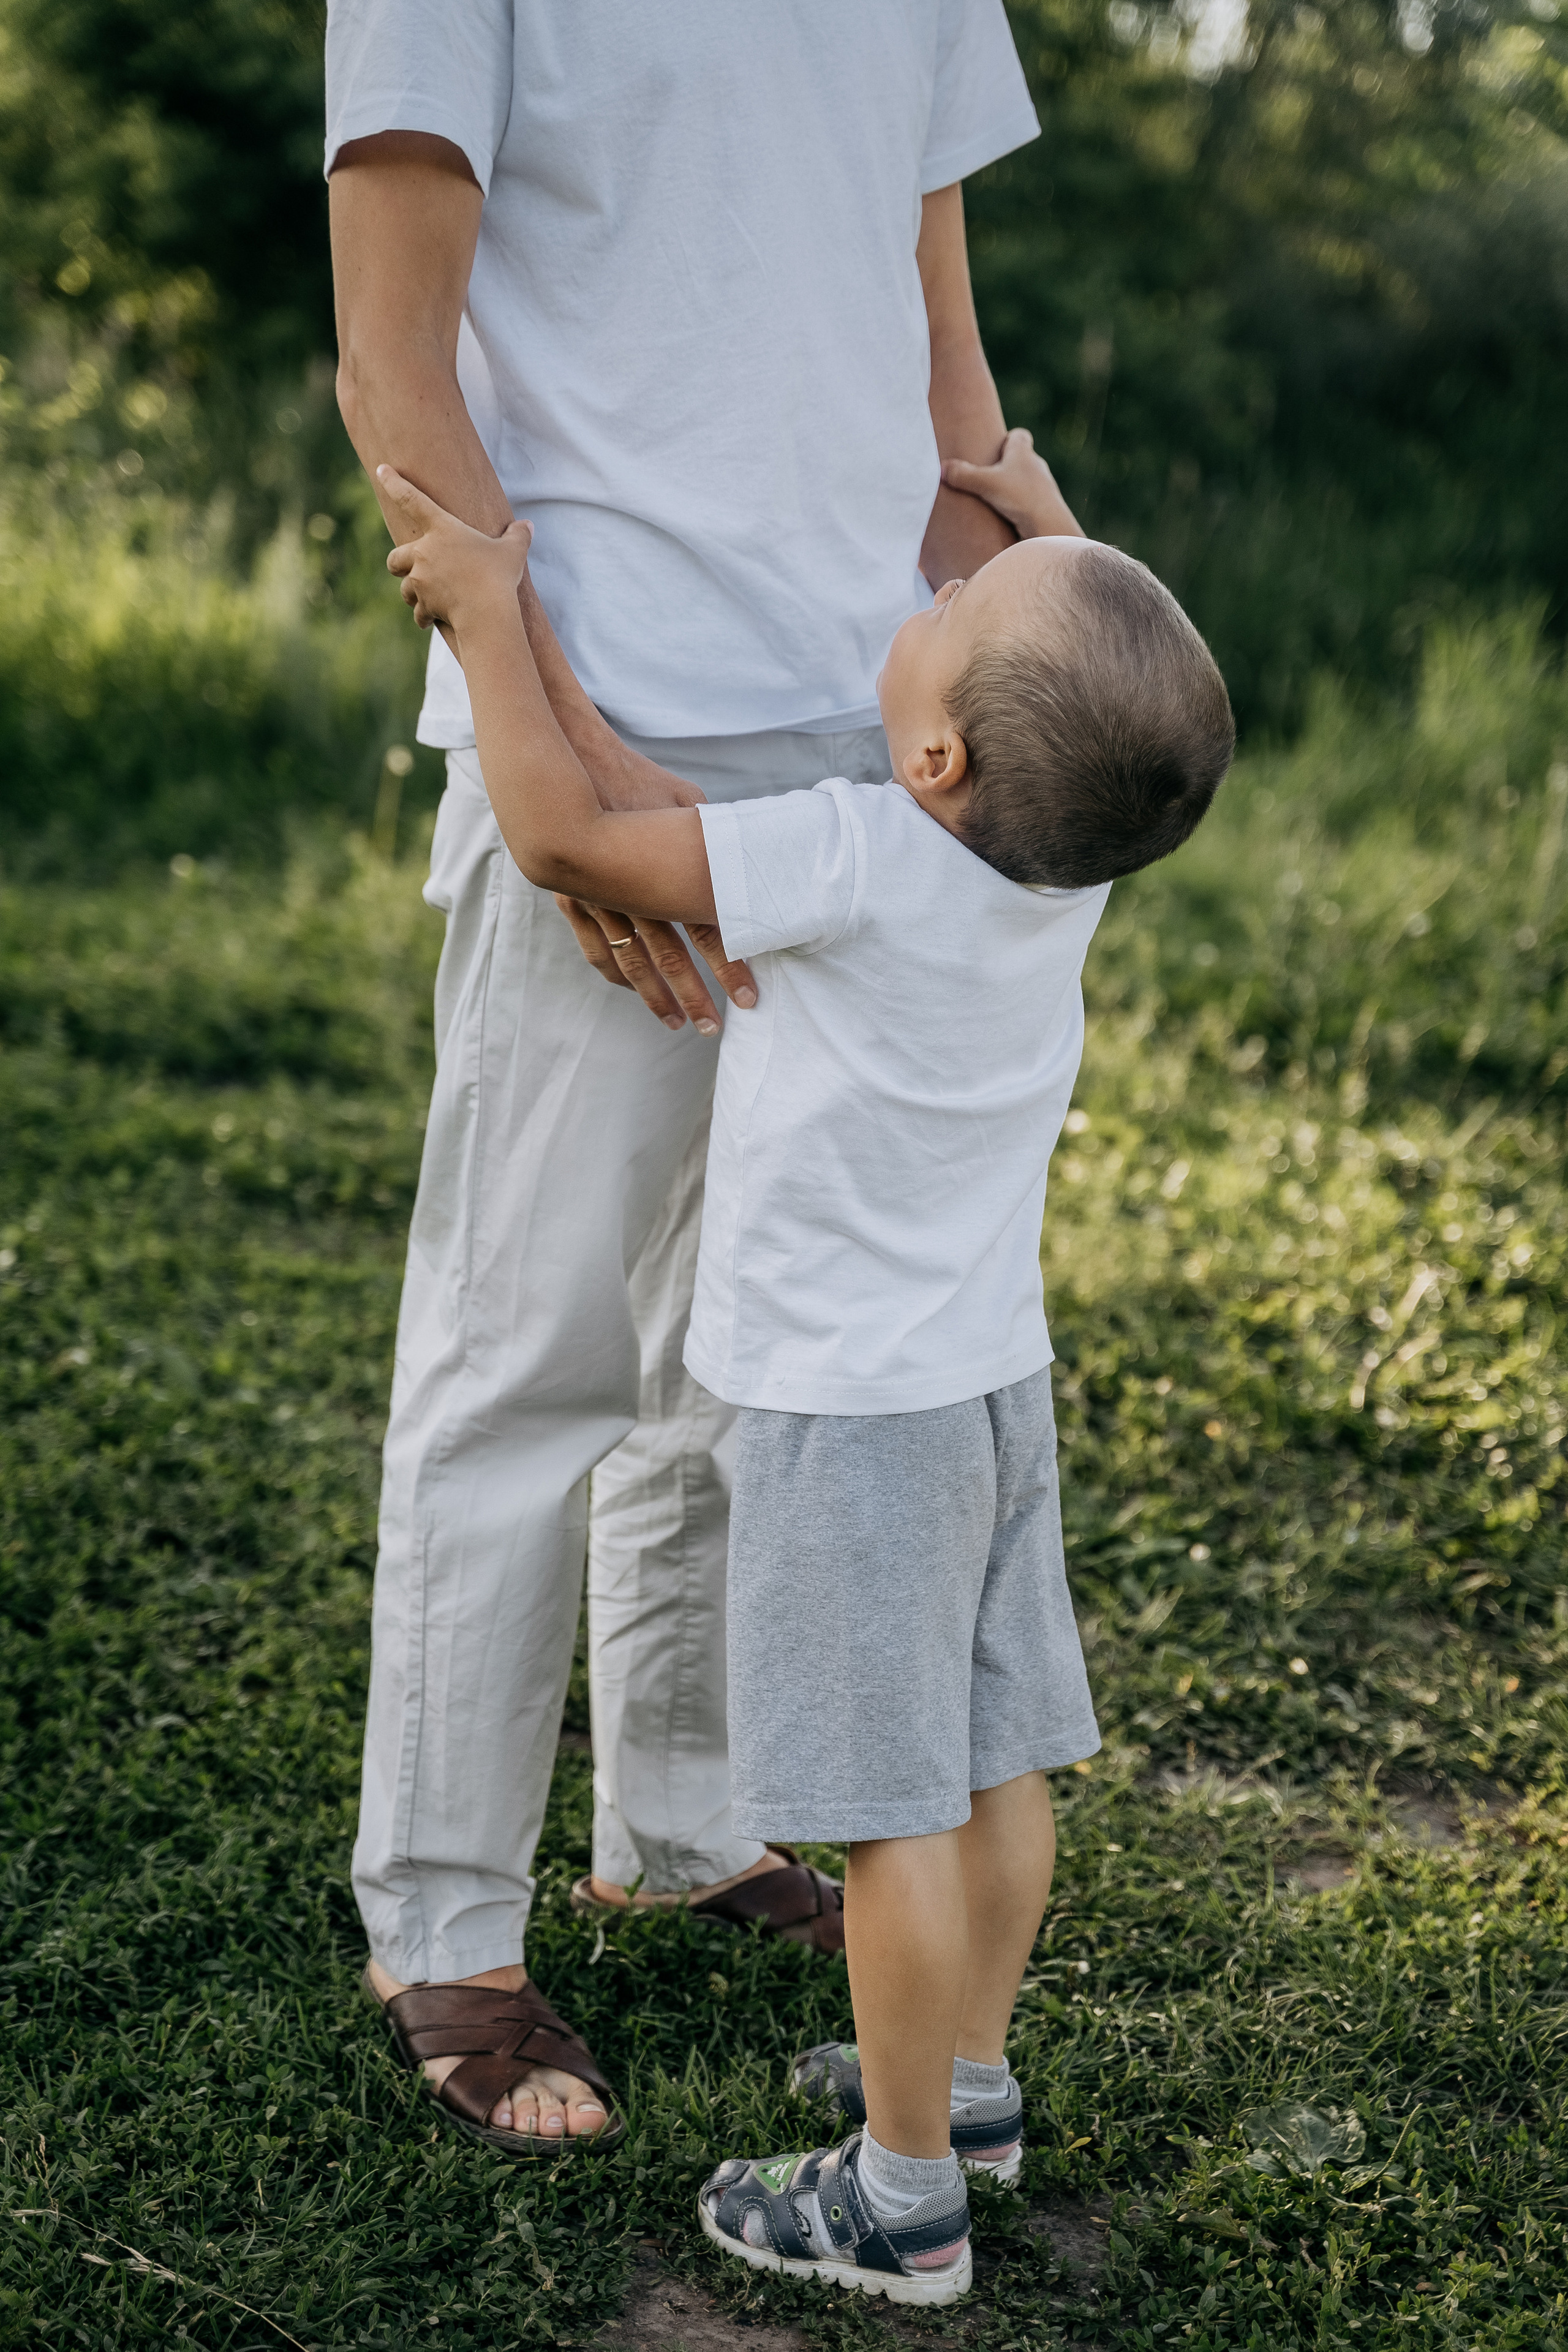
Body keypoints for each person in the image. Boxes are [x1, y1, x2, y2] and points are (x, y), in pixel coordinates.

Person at [325, 3, 1080, 2156]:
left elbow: (945, 361)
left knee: (742, 1342)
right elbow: (397, 365)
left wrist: (1007, 666)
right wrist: (563, 737)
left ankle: (678, 1816)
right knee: (535, 1341)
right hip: (607, 732)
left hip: (876, 754)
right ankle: (445, 1920)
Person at [374, 427, 1234, 2297]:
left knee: (888, 1817)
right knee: (998, 1772)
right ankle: (971, 2086)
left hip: (853, 1422)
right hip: (991, 1392)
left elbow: (568, 839)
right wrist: (1041, 514)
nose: (937, 592)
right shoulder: (1065, 860)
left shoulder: (851, 851)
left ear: (936, 755)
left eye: (954, 611)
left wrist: (492, 617)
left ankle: (900, 2196)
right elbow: (1096, 671)